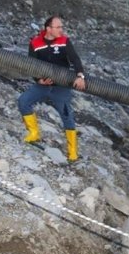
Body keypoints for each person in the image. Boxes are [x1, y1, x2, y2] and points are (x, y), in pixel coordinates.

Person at [17, 16, 87, 162]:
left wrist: (80, 76)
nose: (61, 30)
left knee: (67, 115)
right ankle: (34, 133)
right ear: (48, 29)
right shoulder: (35, 43)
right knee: (23, 101)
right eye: (58, 27)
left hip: (61, 86)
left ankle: (73, 151)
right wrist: (39, 80)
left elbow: (75, 59)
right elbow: (32, 64)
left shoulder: (64, 41)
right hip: (44, 85)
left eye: (61, 27)